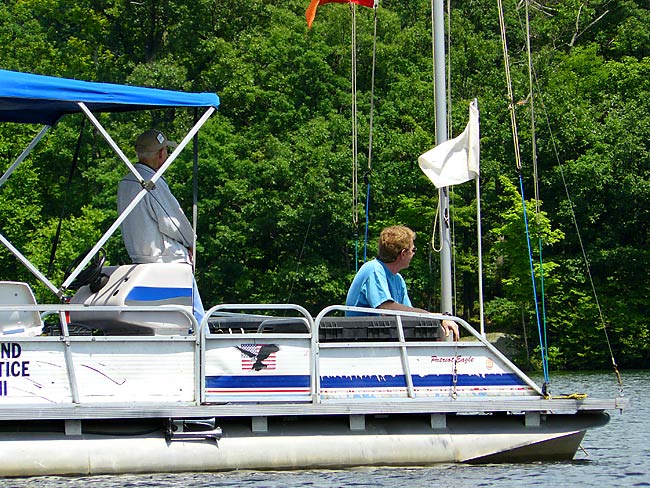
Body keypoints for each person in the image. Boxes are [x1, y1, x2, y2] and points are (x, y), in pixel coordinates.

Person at [117, 129, 204, 323]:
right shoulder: (151, 182)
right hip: (168, 261)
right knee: (196, 320)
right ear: (161, 153)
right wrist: (191, 242)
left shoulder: (126, 182)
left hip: (140, 260)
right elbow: (173, 222)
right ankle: (203, 342)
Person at [345, 225, 459, 340]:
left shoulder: (398, 279)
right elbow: (386, 309)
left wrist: (438, 319)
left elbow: (409, 313)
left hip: (383, 337)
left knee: (438, 331)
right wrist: (436, 317)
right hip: (363, 339)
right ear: (403, 254)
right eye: (413, 250)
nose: (414, 254)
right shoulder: (374, 269)